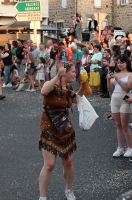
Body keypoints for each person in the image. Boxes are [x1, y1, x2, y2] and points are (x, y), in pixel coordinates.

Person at [38, 61, 84, 200]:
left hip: (65, 127)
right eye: (73, 72)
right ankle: (42, 197)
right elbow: (44, 91)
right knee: (50, 164)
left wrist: (84, 85)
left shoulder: (68, 87)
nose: (75, 74)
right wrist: (57, 76)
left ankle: (68, 190)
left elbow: (77, 99)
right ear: (65, 72)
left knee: (68, 162)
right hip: (49, 126)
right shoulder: (52, 85)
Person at [107, 54, 132, 158]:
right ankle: (120, 147)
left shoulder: (131, 74)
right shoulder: (116, 74)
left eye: (121, 62)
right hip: (114, 98)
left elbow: (128, 88)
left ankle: (130, 148)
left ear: (126, 63)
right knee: (118, 125)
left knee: (124, 125)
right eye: (118, 62)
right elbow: (110, 90)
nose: (119, 64)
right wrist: (108, 79)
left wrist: (118, 79)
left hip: (125, 99)